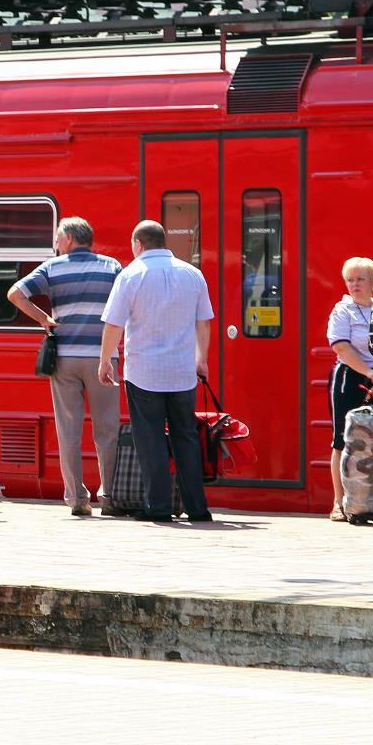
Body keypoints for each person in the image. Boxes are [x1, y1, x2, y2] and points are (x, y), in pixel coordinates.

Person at [97, 220, 215, 524]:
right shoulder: (193, 274)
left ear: (138, 244)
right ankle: (197, 507)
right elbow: (204, 321)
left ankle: (158, 506)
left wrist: (105, 361)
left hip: (143, 373)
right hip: (182, 372)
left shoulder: (130, 275)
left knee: (149, 439)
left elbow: (114, 324)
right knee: (185, 437)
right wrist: (201, 360)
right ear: (164, 242)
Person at [7, 217, 123, 517]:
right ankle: (109, 496)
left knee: (68, 430)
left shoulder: (52, 267)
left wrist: (43, 318)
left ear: (69, 238)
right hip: (103, 358)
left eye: (58, 238)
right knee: (107, 430)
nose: (56, 244)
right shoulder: (112, 267)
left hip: (66, 358)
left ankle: (76, 498)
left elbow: (15, 293)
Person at [326, 257, 373, 521]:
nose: (354, 284)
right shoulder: (343, 311)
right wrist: (368, 371)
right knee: (343, 438)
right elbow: (341, 347)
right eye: (350, 280)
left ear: (372, 282)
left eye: (360, 279)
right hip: (351, 379)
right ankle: (339, 503)